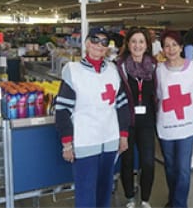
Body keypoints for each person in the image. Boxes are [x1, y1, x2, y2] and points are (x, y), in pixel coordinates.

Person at [55, 27, 130, 208]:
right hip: (85, 143)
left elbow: (122, 105)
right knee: (86, 194)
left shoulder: (113, 71)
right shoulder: (73, 71)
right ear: (87, 43)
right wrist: (66, 144)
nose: (99, 45)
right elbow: (62, 110)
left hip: (110, 141)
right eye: (95, 40)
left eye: (104, 42)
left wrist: (123, 135)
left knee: (105, 191)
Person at [156, 30, 193, 208]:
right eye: (166, 45)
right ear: (162, 49)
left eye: (174, 45)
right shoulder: (159, 70)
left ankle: (179, 205)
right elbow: (156, 97)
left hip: (186, 127)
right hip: (165, 126)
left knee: (183, 170)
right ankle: (174, 201)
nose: (170, 49)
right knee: (170, 168)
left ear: (181, 47)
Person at [116, 27, 157, 208]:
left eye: (141, 41)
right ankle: (130, 197)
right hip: (126, 123)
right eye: (134, 41)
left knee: (148, 162)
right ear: (128, 44)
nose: (137, 45)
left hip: (147, 123)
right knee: (127, 160)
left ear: (147, 45)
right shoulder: (120, 67)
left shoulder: (155, 66)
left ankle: (146, 198)